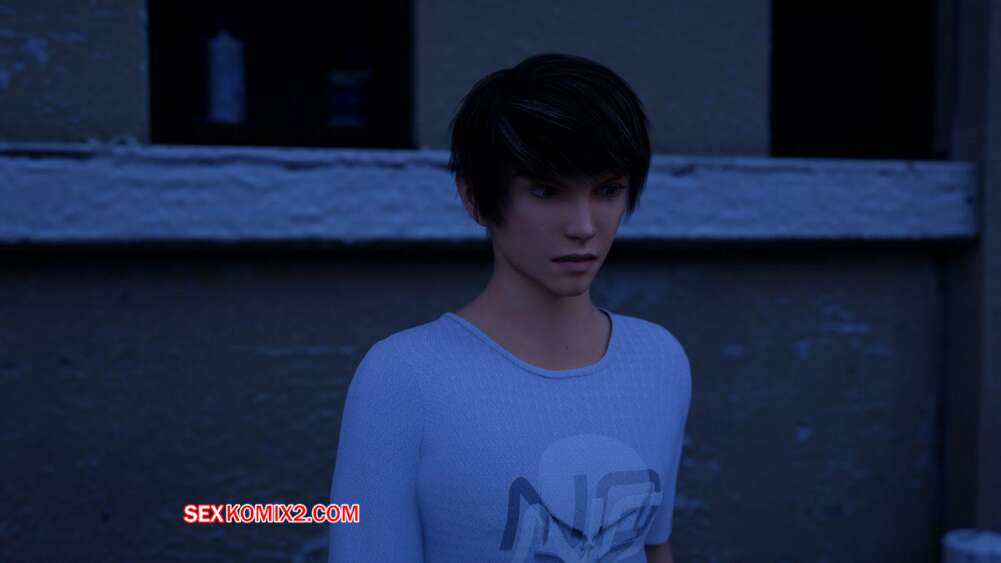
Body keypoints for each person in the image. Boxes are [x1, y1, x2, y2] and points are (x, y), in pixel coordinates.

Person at [328, 53, 691, 563]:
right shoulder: (403, 378)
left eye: (608, 190)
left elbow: (652, 546)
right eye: (547, 191)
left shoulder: (658, 359)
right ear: (475, 197)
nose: (584, 226)